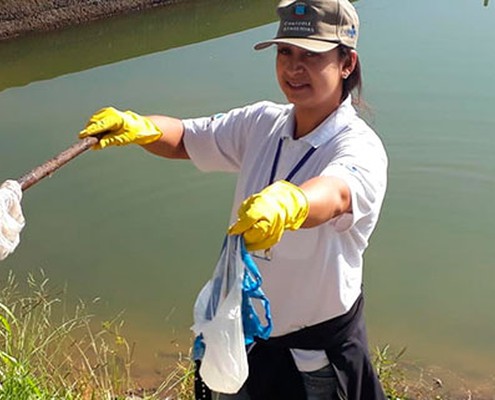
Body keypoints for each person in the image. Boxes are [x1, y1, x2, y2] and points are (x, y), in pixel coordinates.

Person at [79, 0, 388, 398]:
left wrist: (290, 203)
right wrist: (140, 127)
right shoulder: (261, 123)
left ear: (346, 63)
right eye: (285, 52)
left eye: (311, 55)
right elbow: (186, 139)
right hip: (241, 340)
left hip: (314, 361)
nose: (294, 68)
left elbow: (339, 193)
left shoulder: (359, 146)